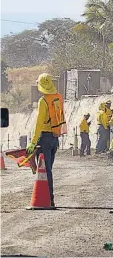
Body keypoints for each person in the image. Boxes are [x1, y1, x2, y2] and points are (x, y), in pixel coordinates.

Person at [26, 73, 66, 207]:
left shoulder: (43, 101)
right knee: (48, 169)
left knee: (44, 169)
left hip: (44, 138)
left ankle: (47, 199)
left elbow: (39, 123)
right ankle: (49, 198)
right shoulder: (58, 98)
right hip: (55, 138)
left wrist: (33, 142)